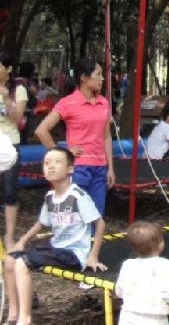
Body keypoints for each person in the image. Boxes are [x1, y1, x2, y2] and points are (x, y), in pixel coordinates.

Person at [5, 147, 106, 325]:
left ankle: (25, 319)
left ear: (70, 169)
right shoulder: (50, 196)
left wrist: (93, 256)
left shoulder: (77, 196)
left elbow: (100, 223)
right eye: (46, 163)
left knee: (22, 263)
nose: (51, 166)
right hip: (56, 248)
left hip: (73, 253)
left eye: (57, 162)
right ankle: (13, 313)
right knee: (10, 259)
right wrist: (22, 240)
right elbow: (41, 223)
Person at [36, 57, 115, 215]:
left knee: (96, 215)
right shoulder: (68, 103)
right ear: (84, 78)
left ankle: (94, 241)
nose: (102, 78)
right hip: (78, 169)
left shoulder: (104, 102)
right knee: (75, 217)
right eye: (98, 74)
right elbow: (41, 130)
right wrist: (62, 153)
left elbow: (107, 137)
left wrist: (110, 168)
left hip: (100, 169)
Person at [115, 220, 169, 325]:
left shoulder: (128, 265)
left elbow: (119, 290)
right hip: (154, 318)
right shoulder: (163, 265)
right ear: (160, 245)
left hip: (128, 316)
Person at [0, 52, 26, 247]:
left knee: (10, 190)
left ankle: (9, 236)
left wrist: (6, 97)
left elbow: (18, 119)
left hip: (10, 143)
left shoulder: (18, 89)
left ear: (8, 68)